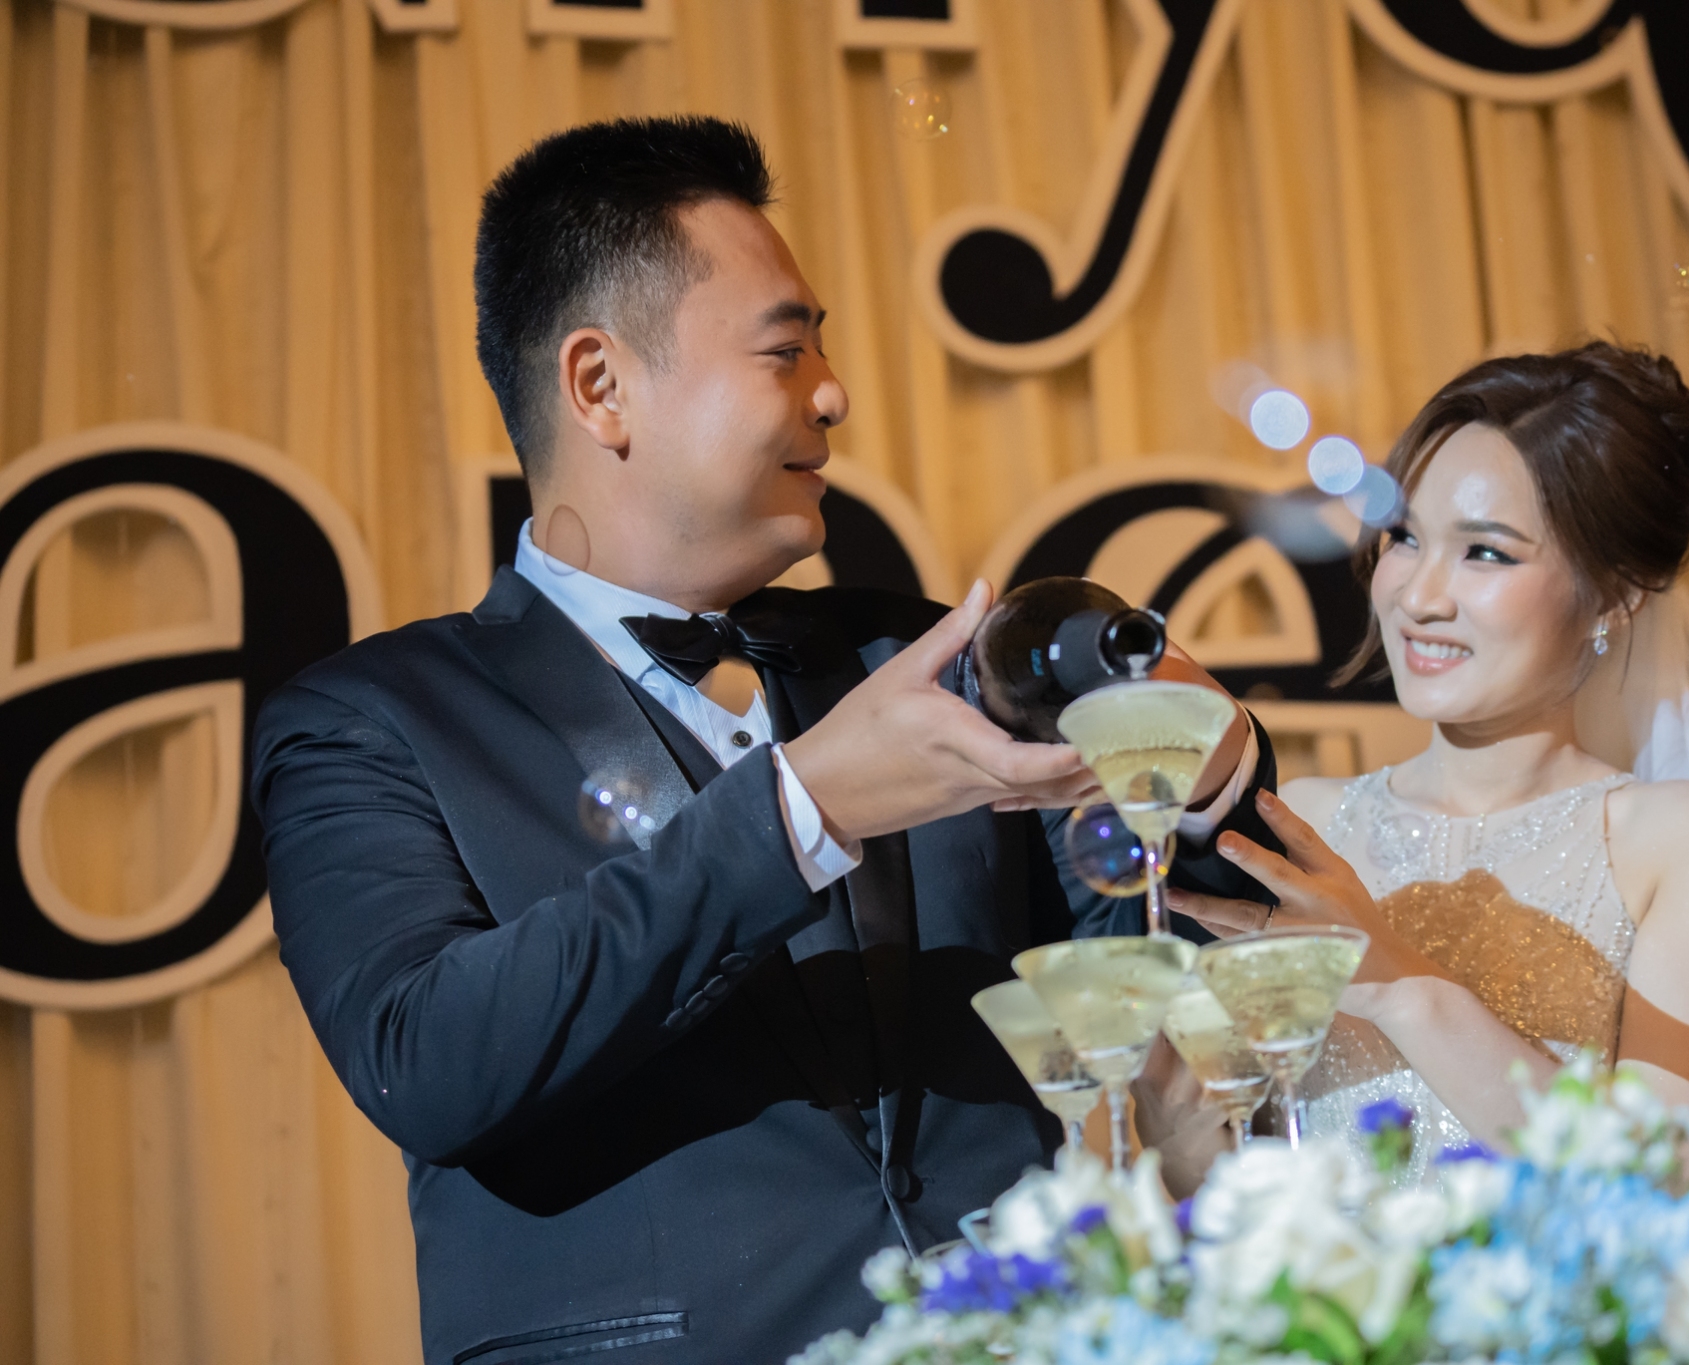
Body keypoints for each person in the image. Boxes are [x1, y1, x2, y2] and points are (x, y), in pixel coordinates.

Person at [250, 116, 1267, 1365]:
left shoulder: (919, 658)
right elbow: (428, 1062)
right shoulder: (369, 720)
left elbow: (1156, 974)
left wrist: (1205, 773)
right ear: (599, 385)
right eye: (786, 351)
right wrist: (804, 806)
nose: (832, 393)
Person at [1166, 341, 1689, 1176]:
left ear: (1616, 593)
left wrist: (1400, 986)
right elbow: (1214, 1173)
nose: (1419, 596)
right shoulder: (1303, 819)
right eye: (1404, 537)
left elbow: (1679, 1186)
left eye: (1486, 552)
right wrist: (1163, 1088)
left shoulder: (1677, 841)